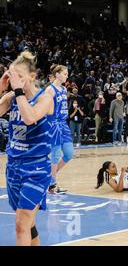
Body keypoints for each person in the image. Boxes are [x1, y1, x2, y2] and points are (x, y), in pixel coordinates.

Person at [0, 51, 54, 245]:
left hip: (36, 169)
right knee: (28, 224)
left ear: (32, 76)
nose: (16, 82)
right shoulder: (12, 97)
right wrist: (1, 88)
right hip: (13, 167)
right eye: (14, 77)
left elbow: (29, 117)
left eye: (20, 77)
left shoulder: (45, 99)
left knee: (21, 224)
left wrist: (18, 92)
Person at [46, 65, 74, 194]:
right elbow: (44, 108)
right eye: (64, 73)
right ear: (57, 74)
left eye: (67, 74)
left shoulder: (63, 89)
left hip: (63, 123)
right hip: (54, 123)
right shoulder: (49, 90)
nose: (66, 76)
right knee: (55, 155)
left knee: (69, 154)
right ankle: (52, 184)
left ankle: (49, 176)